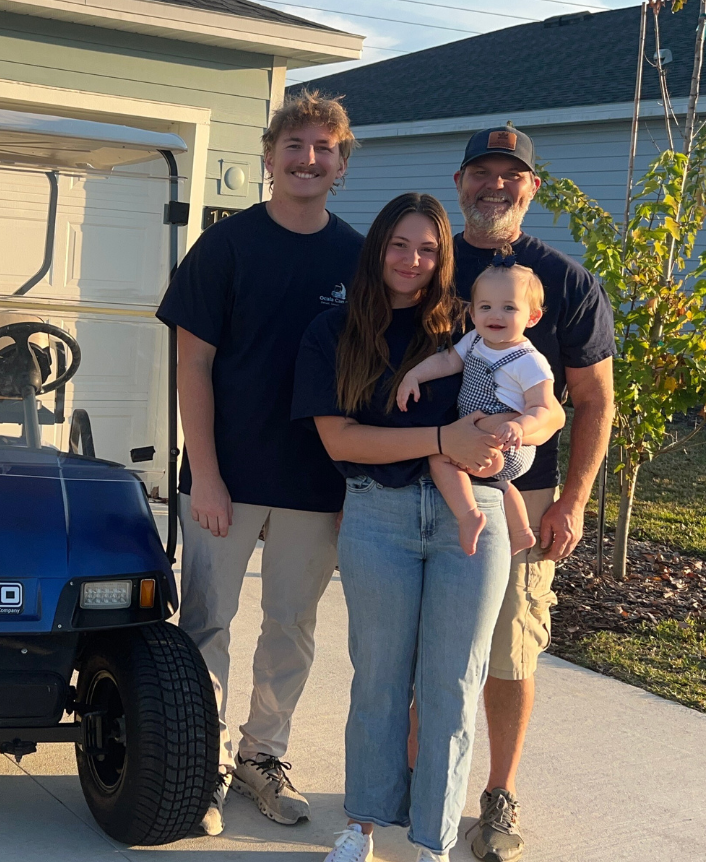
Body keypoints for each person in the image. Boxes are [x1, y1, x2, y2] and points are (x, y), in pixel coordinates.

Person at [292, 192, 564, 862]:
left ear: (444, 257)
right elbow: (341, 442)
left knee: (453, 683)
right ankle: (361, 829)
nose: (412, 260)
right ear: (377, 247)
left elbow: (550, 407)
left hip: (471, 518)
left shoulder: (470, 324)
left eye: (428, 248)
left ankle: (433, 842)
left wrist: (522, 429)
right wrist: (443, 437)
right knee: (379, 679)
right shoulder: (334, 331)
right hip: (379, 516)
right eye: (399, 244)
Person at [156, 91, 365, 836]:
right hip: (228, 476)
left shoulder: (357, 256)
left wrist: (355, 484)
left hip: (315, 481)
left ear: (341, 165)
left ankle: (261, 758)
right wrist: (205, 473)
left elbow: (368, 374)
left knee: (292, 628)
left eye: (325, 149)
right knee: (208, 623)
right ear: (271, 156)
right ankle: (202, 761)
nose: (309, 159)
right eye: (296, 145)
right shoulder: (225, 247)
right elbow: (192, 367)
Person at [451, 125, 615, 862]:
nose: (494, 184)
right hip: (422, 485)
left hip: (522, 499)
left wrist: (571, 502)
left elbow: (593, 400)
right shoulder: (421, 263)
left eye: (509, 174)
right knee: (423, 650)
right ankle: (418, 779)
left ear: (532, 188)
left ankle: (498, 795)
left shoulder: (566, 284)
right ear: (459, 184)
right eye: (480, 172)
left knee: (510, 654)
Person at [397, 259, 564, 557]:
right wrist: (414, 375)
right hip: (488, 440)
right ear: (472, 313)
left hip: (508, 442)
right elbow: (448, 361)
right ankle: (522, 532)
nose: (495, 315)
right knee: (500, 482)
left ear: (533, 317)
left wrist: (518, 426)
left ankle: (469, 516)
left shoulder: (529, 361)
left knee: (440, 457)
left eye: (509, 308)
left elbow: (542, 408)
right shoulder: (475, 340)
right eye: (485, 307)